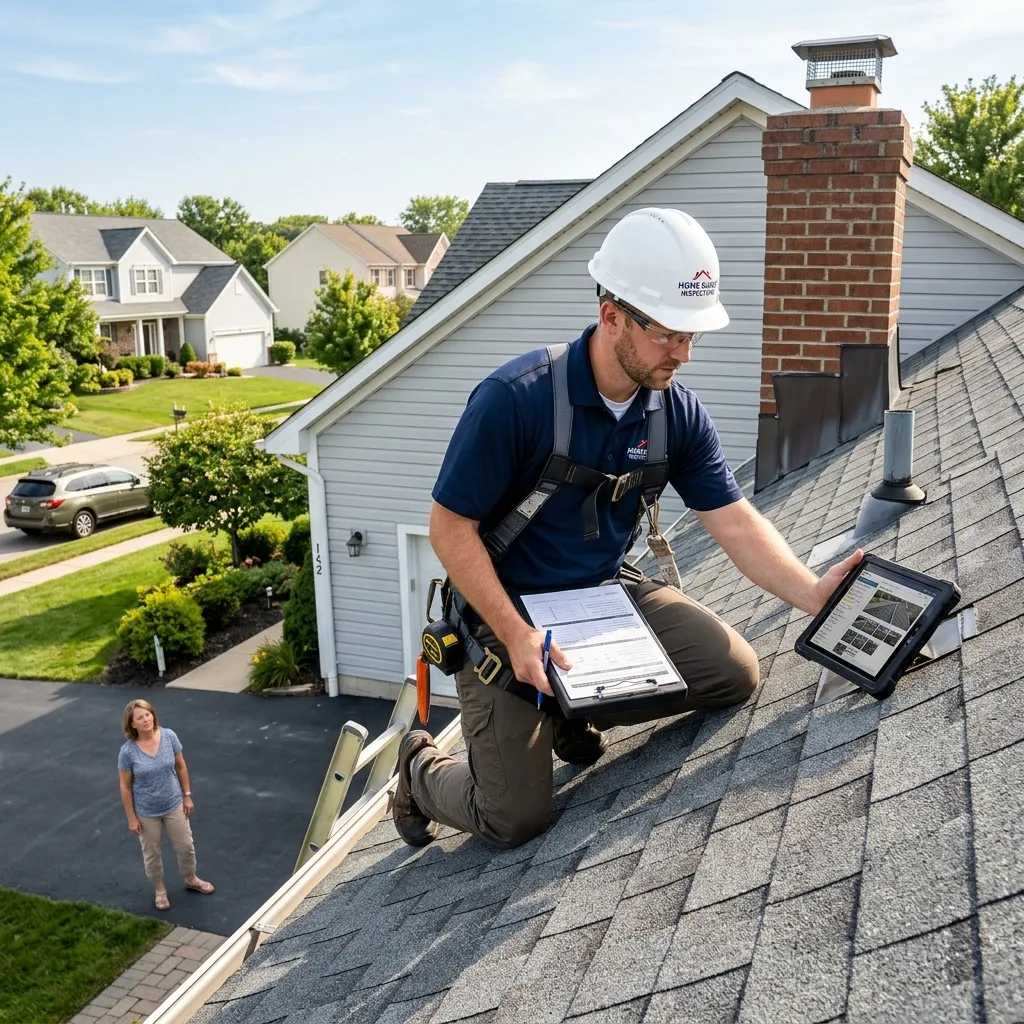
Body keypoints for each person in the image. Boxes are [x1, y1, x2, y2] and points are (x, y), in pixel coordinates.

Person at [393, 208, 862, 850]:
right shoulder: (517, 399)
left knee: (735, 673)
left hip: (601, 595)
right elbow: (449, 531)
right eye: (669, 335)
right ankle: (419, 768)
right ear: (613, 315)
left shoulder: (675, 415)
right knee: (514, 818)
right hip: (506, 616)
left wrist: (812, 593)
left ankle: (566, 702)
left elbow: (734, 522)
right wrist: (516, 633)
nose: (684, 354)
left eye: (692, 336)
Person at [117, 699, 214, 910]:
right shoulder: (128, 752)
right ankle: (160, 890)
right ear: (132, 724)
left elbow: (181, 766)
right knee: (152, 853)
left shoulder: (169, 736)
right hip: (146, 812)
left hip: (173, 804)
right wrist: (131, 818)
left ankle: (191, 878)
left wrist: (187, 795)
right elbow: (125, 786)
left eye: (148, 714)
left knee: (186, 845)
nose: (145, 720)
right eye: (140, 718)